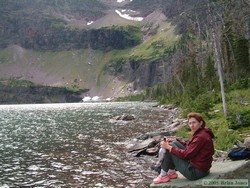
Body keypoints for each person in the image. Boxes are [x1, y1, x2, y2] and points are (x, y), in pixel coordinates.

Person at [153, 112, 215, 184]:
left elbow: (186, 155)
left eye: (194, 122)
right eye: (190, 123)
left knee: (170, 149)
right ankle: (171, 172)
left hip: (195, 173)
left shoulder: (200, 137)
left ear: (201, 123)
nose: (192, 125)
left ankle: (163, 175)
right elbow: (191, 147)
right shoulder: (202, 132)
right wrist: (175, 140)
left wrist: (168, 147)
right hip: (203, 169)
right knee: (174, 143)